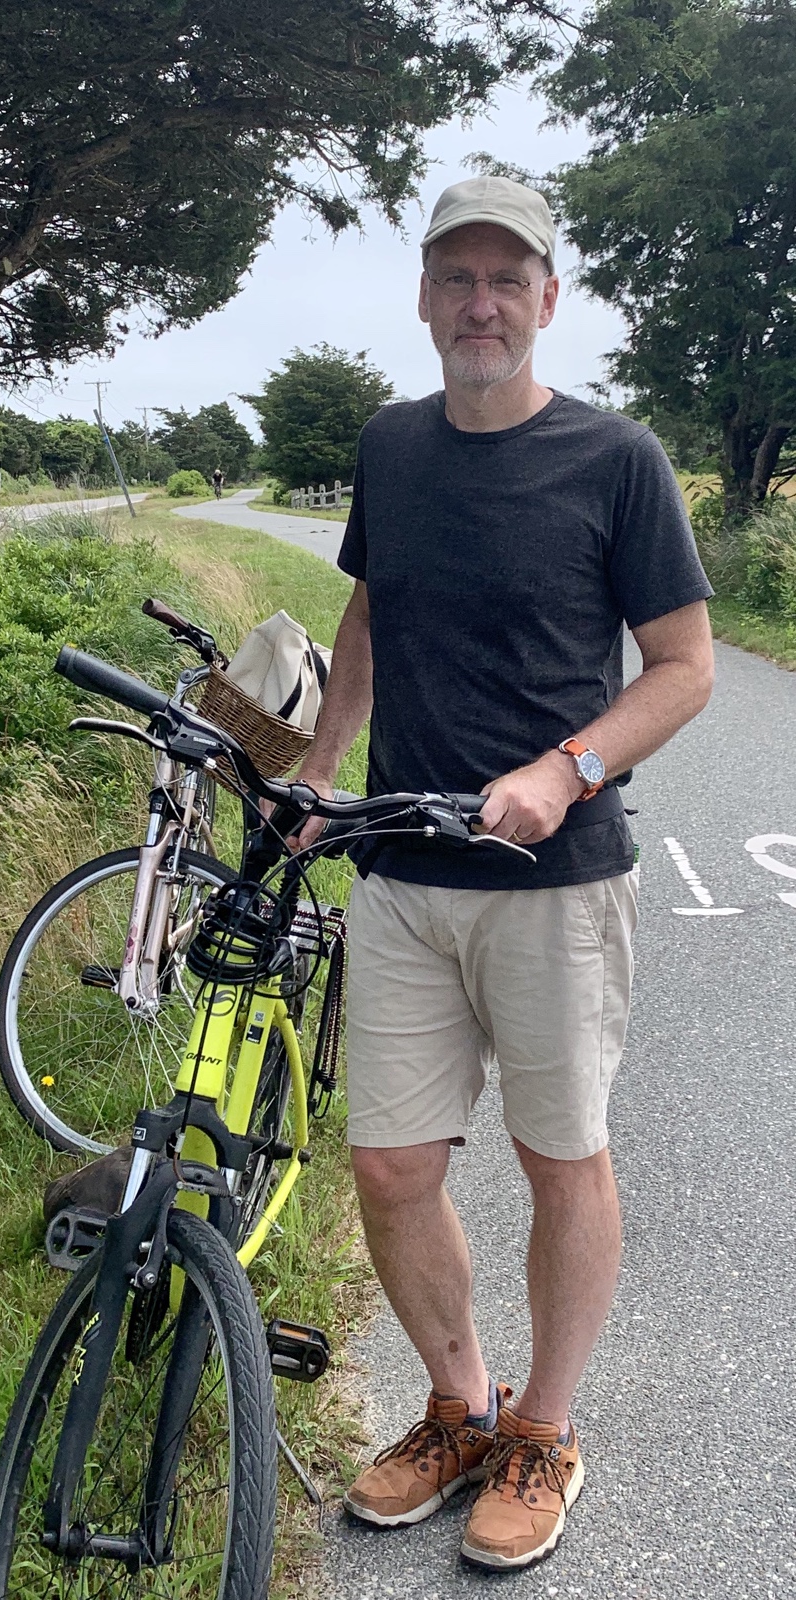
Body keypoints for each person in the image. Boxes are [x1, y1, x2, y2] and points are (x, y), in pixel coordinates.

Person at [289, 176, 714, 1570]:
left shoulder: (618, 460)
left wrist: (565, 771)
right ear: (424, 298)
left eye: (507, 281)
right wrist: (319, 766)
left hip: (561, 882)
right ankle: (459, 1407)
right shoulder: (391, 448)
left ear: (546, 299)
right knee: (392, 1164)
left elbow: (685, 669)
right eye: (457, 279)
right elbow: (367, 612)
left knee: (559, 1160)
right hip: (405, 873)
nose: (482, 304)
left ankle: (545, 1429)